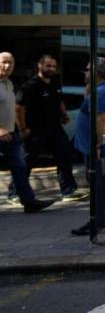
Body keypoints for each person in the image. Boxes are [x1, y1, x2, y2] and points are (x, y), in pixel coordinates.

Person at [70, 57, 105, 240]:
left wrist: (99, 144)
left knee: (97, 185)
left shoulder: (101, 93)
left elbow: (102, 119)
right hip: (96, 145)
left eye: (87, 69)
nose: (85, 73)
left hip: (96, 146)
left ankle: (96, 221)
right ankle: (103, 218)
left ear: (97, 73)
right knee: (100, 185)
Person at [13, 54, 79, 199]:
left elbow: (59, 99)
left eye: (54, 66)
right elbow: (18, 108)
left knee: (64, 156)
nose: (51, 69)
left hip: (55, 128)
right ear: (40, 66)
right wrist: (23, 129)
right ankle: (15, 192)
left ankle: (68, 190)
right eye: (48, 66)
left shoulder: (55, 82)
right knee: (26, 161)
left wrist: (65, 114)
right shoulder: (30, 86)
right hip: (35, 129)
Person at [0, 52, 55, 213]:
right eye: (4, 62)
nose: (7, 66)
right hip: (2, 133)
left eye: (10, 63)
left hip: (10, 135)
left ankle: (29, 202)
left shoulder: (8, 84)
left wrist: (19, 128)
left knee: (20, 167)